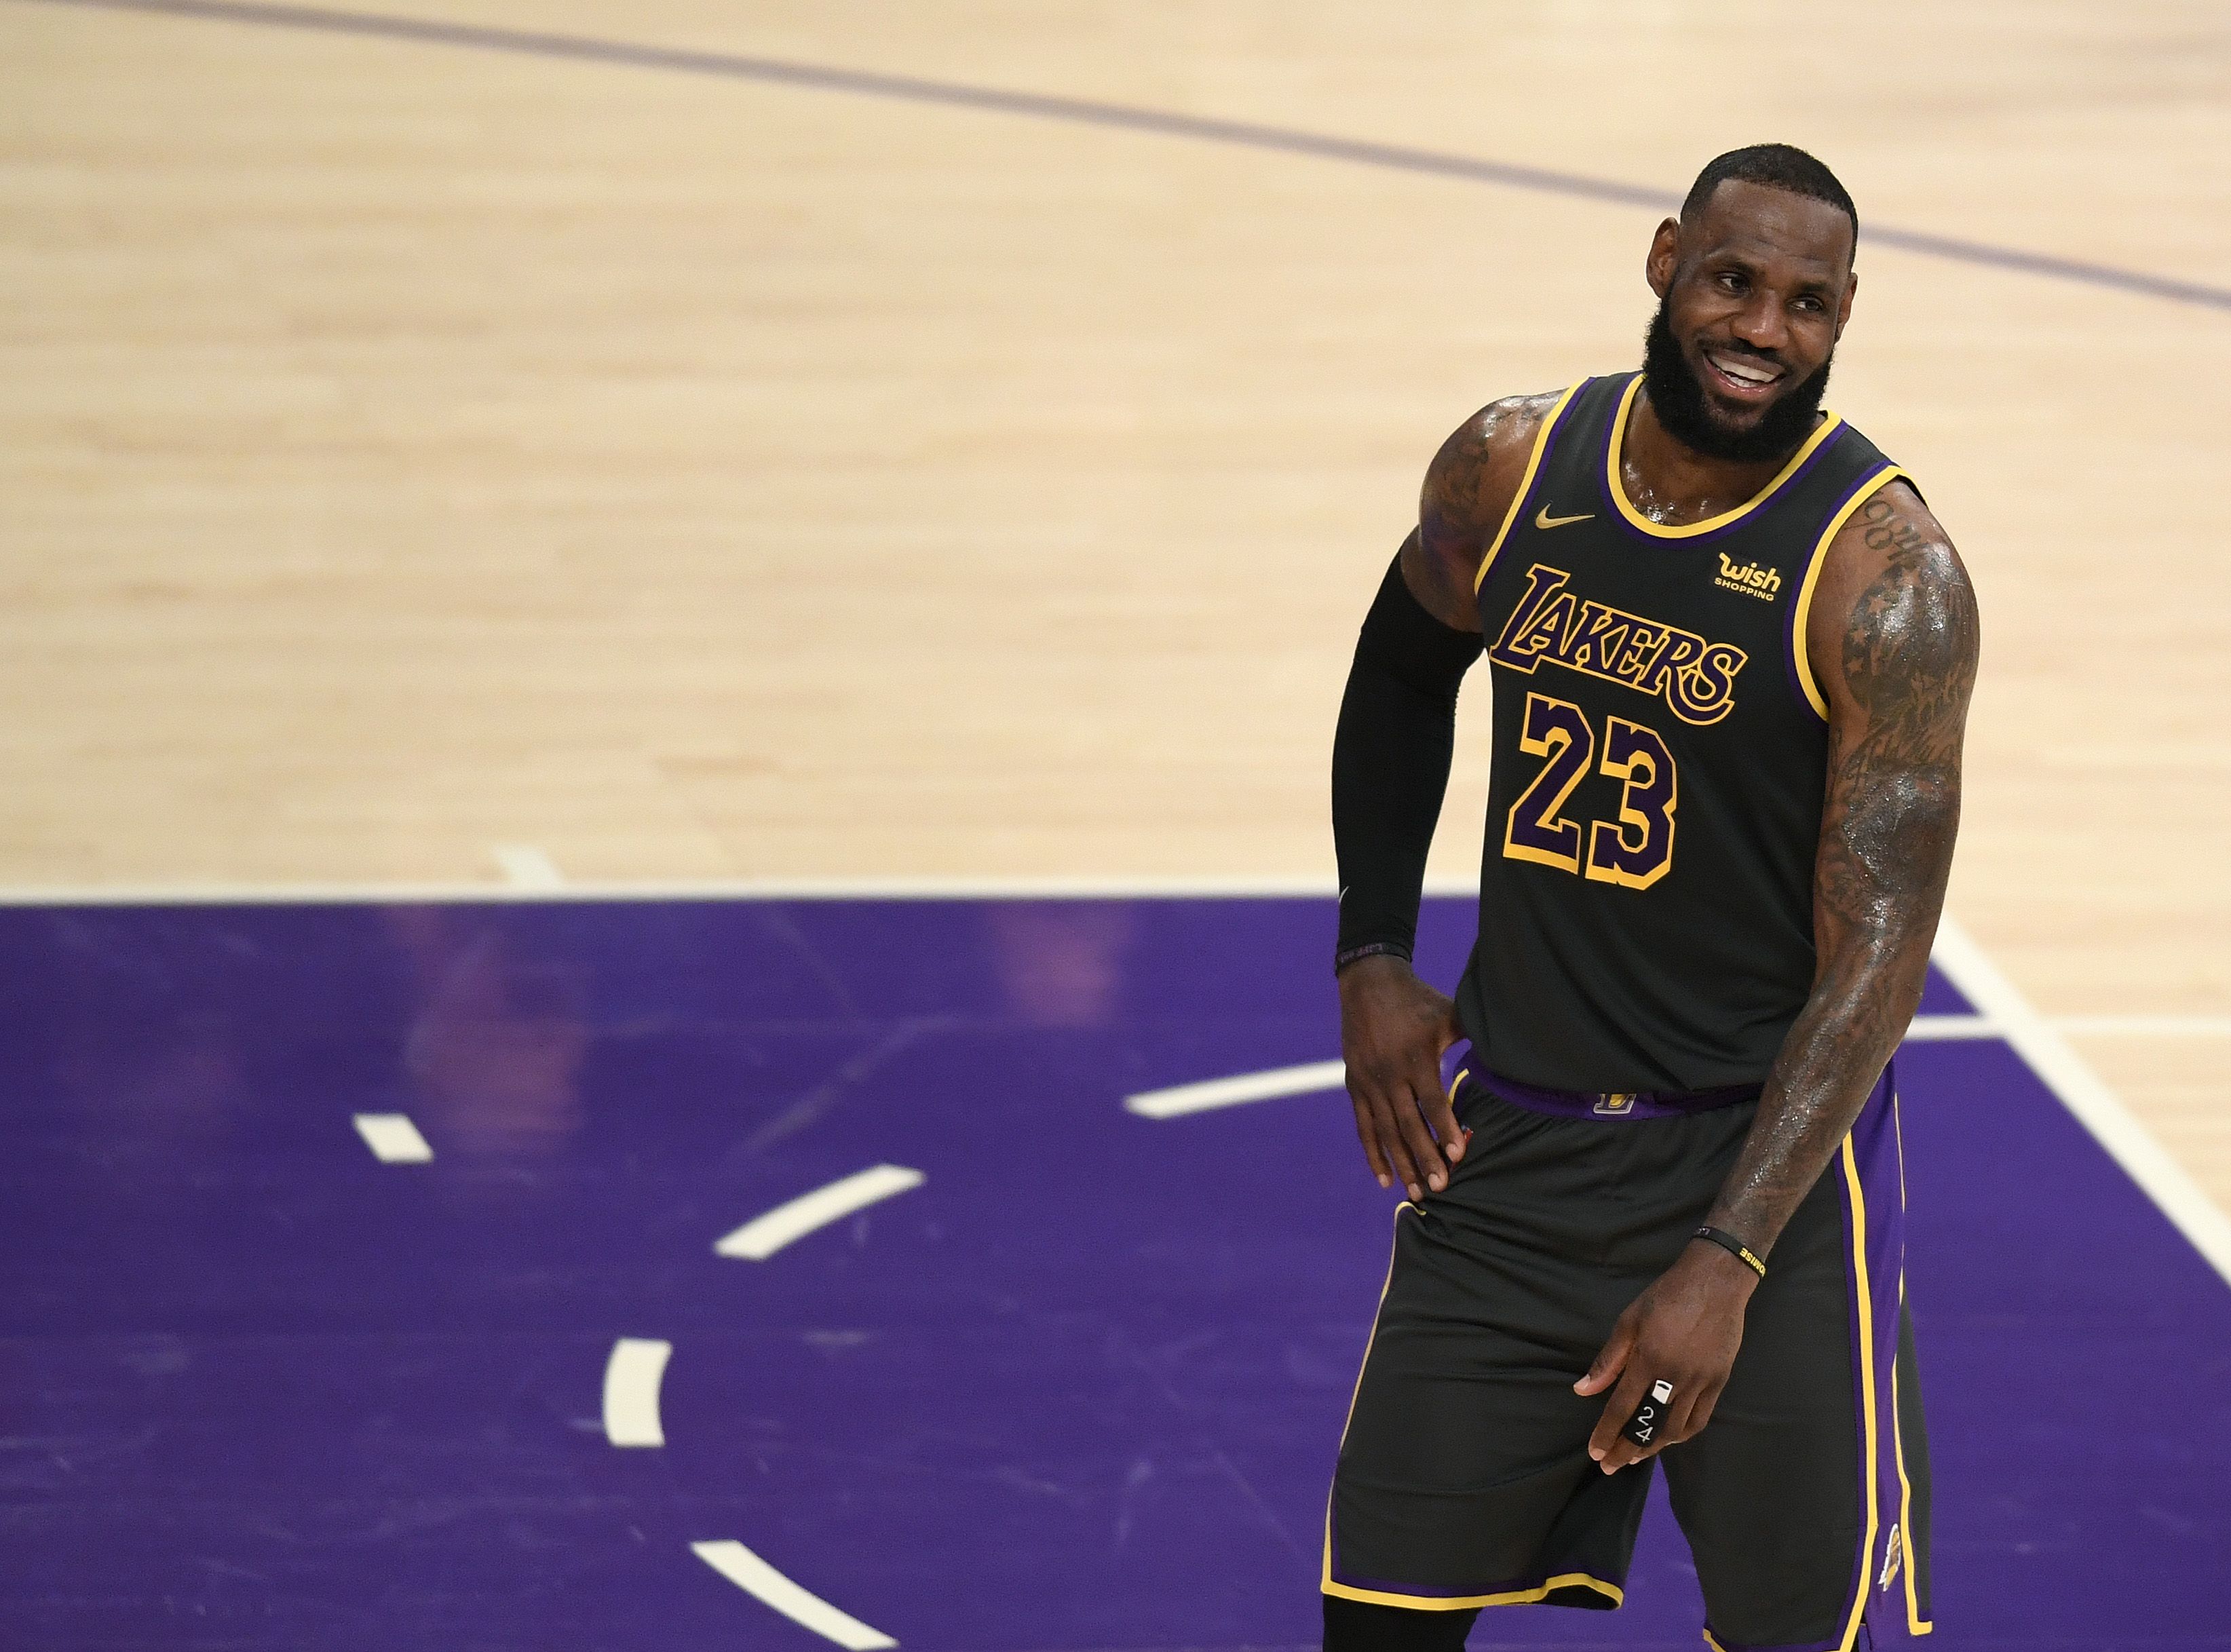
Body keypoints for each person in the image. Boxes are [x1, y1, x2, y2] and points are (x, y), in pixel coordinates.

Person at [1323, 143, 1978, 1652]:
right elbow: (1401, 671)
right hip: (1513, 1159)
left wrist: (1728, 1256)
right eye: (1734, 281)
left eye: (1806, 303)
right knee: (1377, 1621)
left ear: (1847, 314)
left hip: (1760, 1182)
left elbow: (1879, 960)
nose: (1762, 329)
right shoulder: (1511, 464)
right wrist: (1372, 952)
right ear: (1667, 258)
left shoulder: (1886, 576)